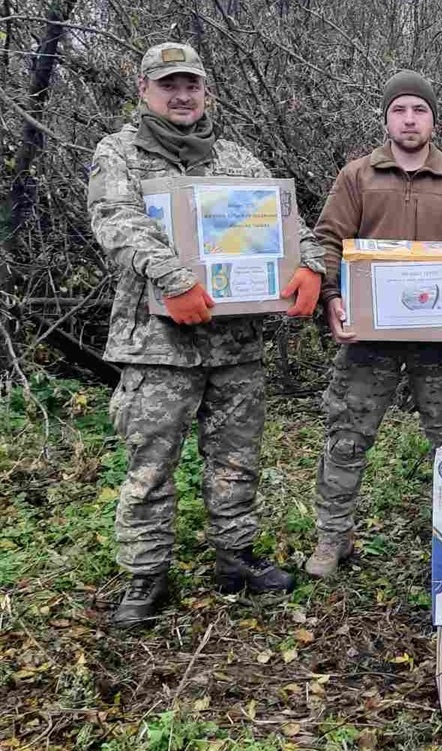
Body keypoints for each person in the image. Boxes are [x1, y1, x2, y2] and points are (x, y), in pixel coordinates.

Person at [88, 42, 326, 627]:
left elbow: (286, 223)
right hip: (157, 344)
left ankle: (235, 558)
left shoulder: (237, 160)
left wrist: (311, 265)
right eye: (169, 84)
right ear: (144, 89)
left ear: (206, 91)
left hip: (235, 344)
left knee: (236, 459)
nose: (182, 95)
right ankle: (146, 577)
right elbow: (115, 222)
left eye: (190, 84)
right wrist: (173, 277)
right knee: (151, 465)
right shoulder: (120, 153)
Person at [306, 70, 442, 578]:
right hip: (369, 340)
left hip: (441, 344)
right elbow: (328, 238)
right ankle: (333, 538)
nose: (410, 119)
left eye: (419, 110)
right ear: (387, 117)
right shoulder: (357, 177)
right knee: (346, 436)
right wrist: (330, 297)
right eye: (400, 110)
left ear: (434, 120)